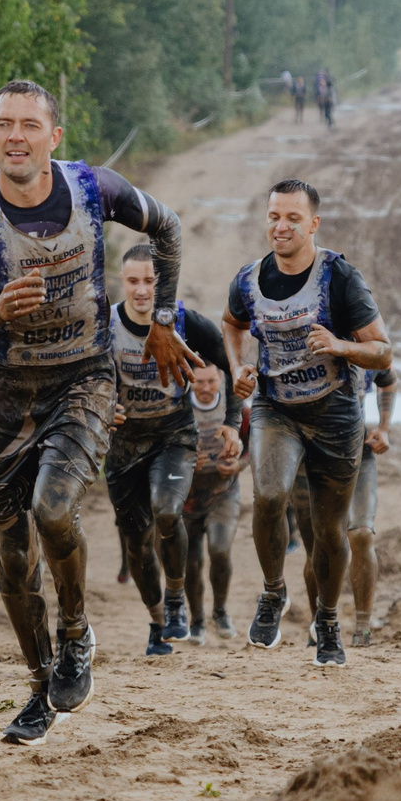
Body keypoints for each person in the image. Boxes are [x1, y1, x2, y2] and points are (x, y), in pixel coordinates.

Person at [0, 80, 190, 745]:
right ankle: (40, 688)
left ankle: (76, 631)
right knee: (13, 560)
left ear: (55, 135)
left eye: (29, 123)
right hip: (4, 399)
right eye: (3, 124)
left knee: (53, 507)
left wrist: (161, 319)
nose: (16, 134)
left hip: (83, 379)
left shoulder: (94, 189)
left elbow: (167, 225)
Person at [224, 178, 391, 667]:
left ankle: (330, 622)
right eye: (274, 216)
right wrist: (238, 370)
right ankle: (274, 592)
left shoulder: (340, 277)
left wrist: (341, 346)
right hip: (277, 409)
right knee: (269, 497)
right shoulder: (249, 279)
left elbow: (382, 352)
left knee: (330, 530)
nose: (281, 226)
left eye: (293, 218)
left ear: (313, 224)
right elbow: (231, 324)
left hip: (337, 412)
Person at [104, 241, 234, 656]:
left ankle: (176, 598)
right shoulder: (104, 326)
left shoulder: (189, 324)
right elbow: (82, 378)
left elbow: (233, 369)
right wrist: (102, 407)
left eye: (151, 281)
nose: (142, 290)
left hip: (173, 438)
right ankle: (158, 620)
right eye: (133, 281)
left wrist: (232, 424)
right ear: (121, 282)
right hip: (123, 446)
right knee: (137, 543)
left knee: (166, 510)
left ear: (164, 284)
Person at [297, 363, 394, 645]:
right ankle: (321, 626)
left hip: (357, 451)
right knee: (317, 546)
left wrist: (384, 427)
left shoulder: (365, 340)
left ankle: (363, 628)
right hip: (309, 455)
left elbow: (388, 378)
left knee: (362, 534)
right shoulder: (306, 339)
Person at [178, 361, 246, 642]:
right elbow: (161, 449)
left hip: (223, 491)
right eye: (199, 382)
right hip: (188, 496)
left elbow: (257, 441)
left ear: (220, 380)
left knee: (219, 550)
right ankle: (196, 621)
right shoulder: (178, 408)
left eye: (211, 382)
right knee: (191, 560)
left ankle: (220, 611)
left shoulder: (234, 406)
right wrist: (185, 463)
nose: (206, 388)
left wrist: (239, 465)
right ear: (190, 380)